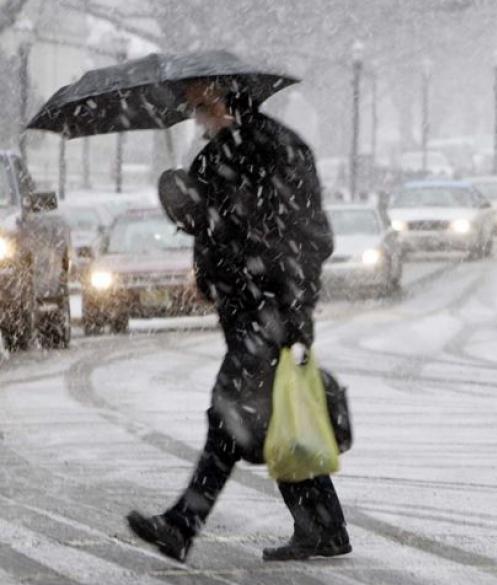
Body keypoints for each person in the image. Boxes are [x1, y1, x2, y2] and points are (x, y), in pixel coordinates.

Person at [126, 78, 349, 562]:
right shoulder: (217, 155)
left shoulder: (277, 149)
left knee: (227, 417)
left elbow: (312, 238)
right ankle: (324, 527)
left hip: (269, 312)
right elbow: (209, 224)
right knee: (272, 419)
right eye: (192, 107)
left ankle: (182, 524)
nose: (196, 114)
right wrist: (187, 210)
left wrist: (282, 298)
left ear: (229, 98)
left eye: (202, 103)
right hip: (247, 310)